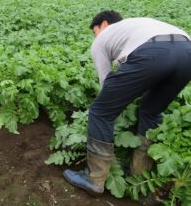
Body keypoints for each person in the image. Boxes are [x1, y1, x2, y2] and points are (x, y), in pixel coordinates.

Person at [63, 11, 191, 196]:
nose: (95, 36)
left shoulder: (102, 39)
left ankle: (94, 178)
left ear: (103, 25)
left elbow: (106, 82)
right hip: (187, 52)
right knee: (151, 110)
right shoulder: (136, 27)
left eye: (95, 31)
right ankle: (139, 173)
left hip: (153, 53)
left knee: (101, 111)